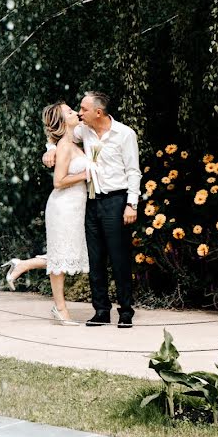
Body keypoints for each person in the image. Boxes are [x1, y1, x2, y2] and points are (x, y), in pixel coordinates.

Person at [42, 91, 141, 328]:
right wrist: (49, 149)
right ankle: (101, 311)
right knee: (96, 260)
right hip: (90, 201)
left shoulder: (125, 134)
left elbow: (133, 171)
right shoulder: (83, 129)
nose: (79, 112)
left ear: (98, 112)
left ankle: (126, 311)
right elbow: (59, 135)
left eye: (83, 109)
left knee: (119, 258)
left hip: (116, 200)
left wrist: (131, 203)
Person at [2, 102, 89, 326]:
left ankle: (23, 265)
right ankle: (60, 309)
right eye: (70, 112)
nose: (76, 113)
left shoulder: (77, 139)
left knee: (67, 253)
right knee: (60, 257)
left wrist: (50, 146)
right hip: (63, 206)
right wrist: (86, 174)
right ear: (62, 122)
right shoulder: (64, 146)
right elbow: (58, 182)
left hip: (77, 206)